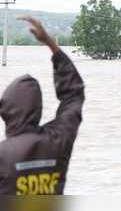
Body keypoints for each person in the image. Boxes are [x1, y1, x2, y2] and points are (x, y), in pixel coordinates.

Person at [0, 17, 85, 195]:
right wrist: (50, 43)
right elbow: (73, 95)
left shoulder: (3, 154)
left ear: (6, 111)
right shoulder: (58, 139)